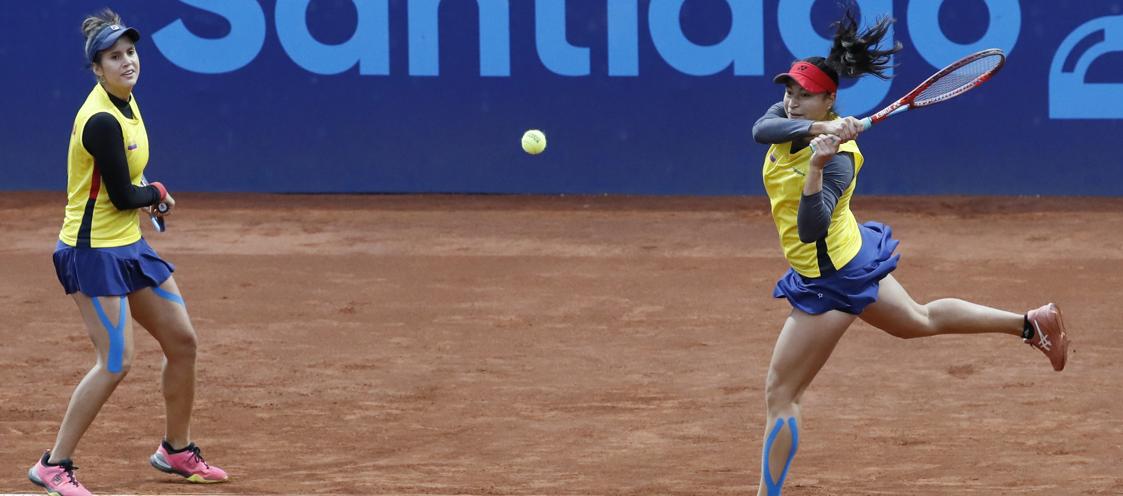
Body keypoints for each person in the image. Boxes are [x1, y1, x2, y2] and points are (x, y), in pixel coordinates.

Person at [750, 10, 1069, 496]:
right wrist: (817, 133)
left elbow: (812, 228)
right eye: (789, 90)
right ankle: (1031, 323)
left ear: (829, 100)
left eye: (804, 94)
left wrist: (818, 166)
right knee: (919, 320)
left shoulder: (838, 164)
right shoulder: (789, 119)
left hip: (832, 277)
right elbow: (761, 130)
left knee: (782, 394)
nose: (791, 100)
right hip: (850, 254)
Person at [28, 9, 228, 496]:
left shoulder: (128, 102)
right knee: (115, 360)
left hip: (128, 247)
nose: (127, 61)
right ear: (97, 68)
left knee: (182, 342)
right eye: (114, 57)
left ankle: (175, 450)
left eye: (130, 52)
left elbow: (124, 186)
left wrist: (148, 194)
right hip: (92, 253)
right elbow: (122, 195)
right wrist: (156, 191)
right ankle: (54, 464)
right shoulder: (100, 119)